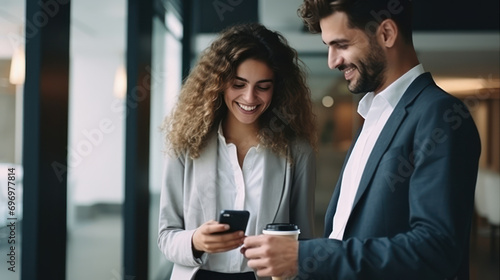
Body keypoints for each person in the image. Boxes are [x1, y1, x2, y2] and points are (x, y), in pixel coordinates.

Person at [242, 1, 481, 279]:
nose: (332, 61)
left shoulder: (439, 114)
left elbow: (436, 250)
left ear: (387, 33)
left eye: (341, 45)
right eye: (328, 46)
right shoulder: (372, 116)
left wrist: (303, 256)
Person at [157, 23, 317, 280]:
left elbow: (304, 240)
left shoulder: (297, 151)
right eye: (238, 84)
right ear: (218, 83)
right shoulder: (186, 144)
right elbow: (166, 237)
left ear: (278, 89)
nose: (250, 97)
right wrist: (195, 240)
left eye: (263, 86)